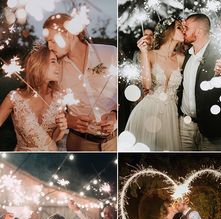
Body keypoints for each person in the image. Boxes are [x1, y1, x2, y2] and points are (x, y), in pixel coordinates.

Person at [43, 12, 117, 151]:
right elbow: (48, 106)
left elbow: (127, 92)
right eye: (47, 42)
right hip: (79, 144)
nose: (49, 47)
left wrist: (115, 114)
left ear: (70, 34)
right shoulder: (55, 69)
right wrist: (68, 120)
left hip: (115, 142)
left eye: (53, 41)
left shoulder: (110, 53)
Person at [125, 18, 184, 150]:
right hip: (148, 110)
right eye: (179, 27)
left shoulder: (181, 58)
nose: (183, 30)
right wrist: (144, 53)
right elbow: (146, 85)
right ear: (168, 31)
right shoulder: (150, 55)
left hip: (170, 114)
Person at [179, 13, 221, 151]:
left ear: (199, 31)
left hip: (213, 127)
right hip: (185, 126)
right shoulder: (186, 55)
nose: (183, 30)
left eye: (187, 28)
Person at [0, 45, 67, 151]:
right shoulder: (14, 98)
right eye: (53, 61)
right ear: (38, 64)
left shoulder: (60, 97)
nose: (58, 66)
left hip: (51, 158)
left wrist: (61, 128)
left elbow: (54, 139)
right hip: (22, 160)